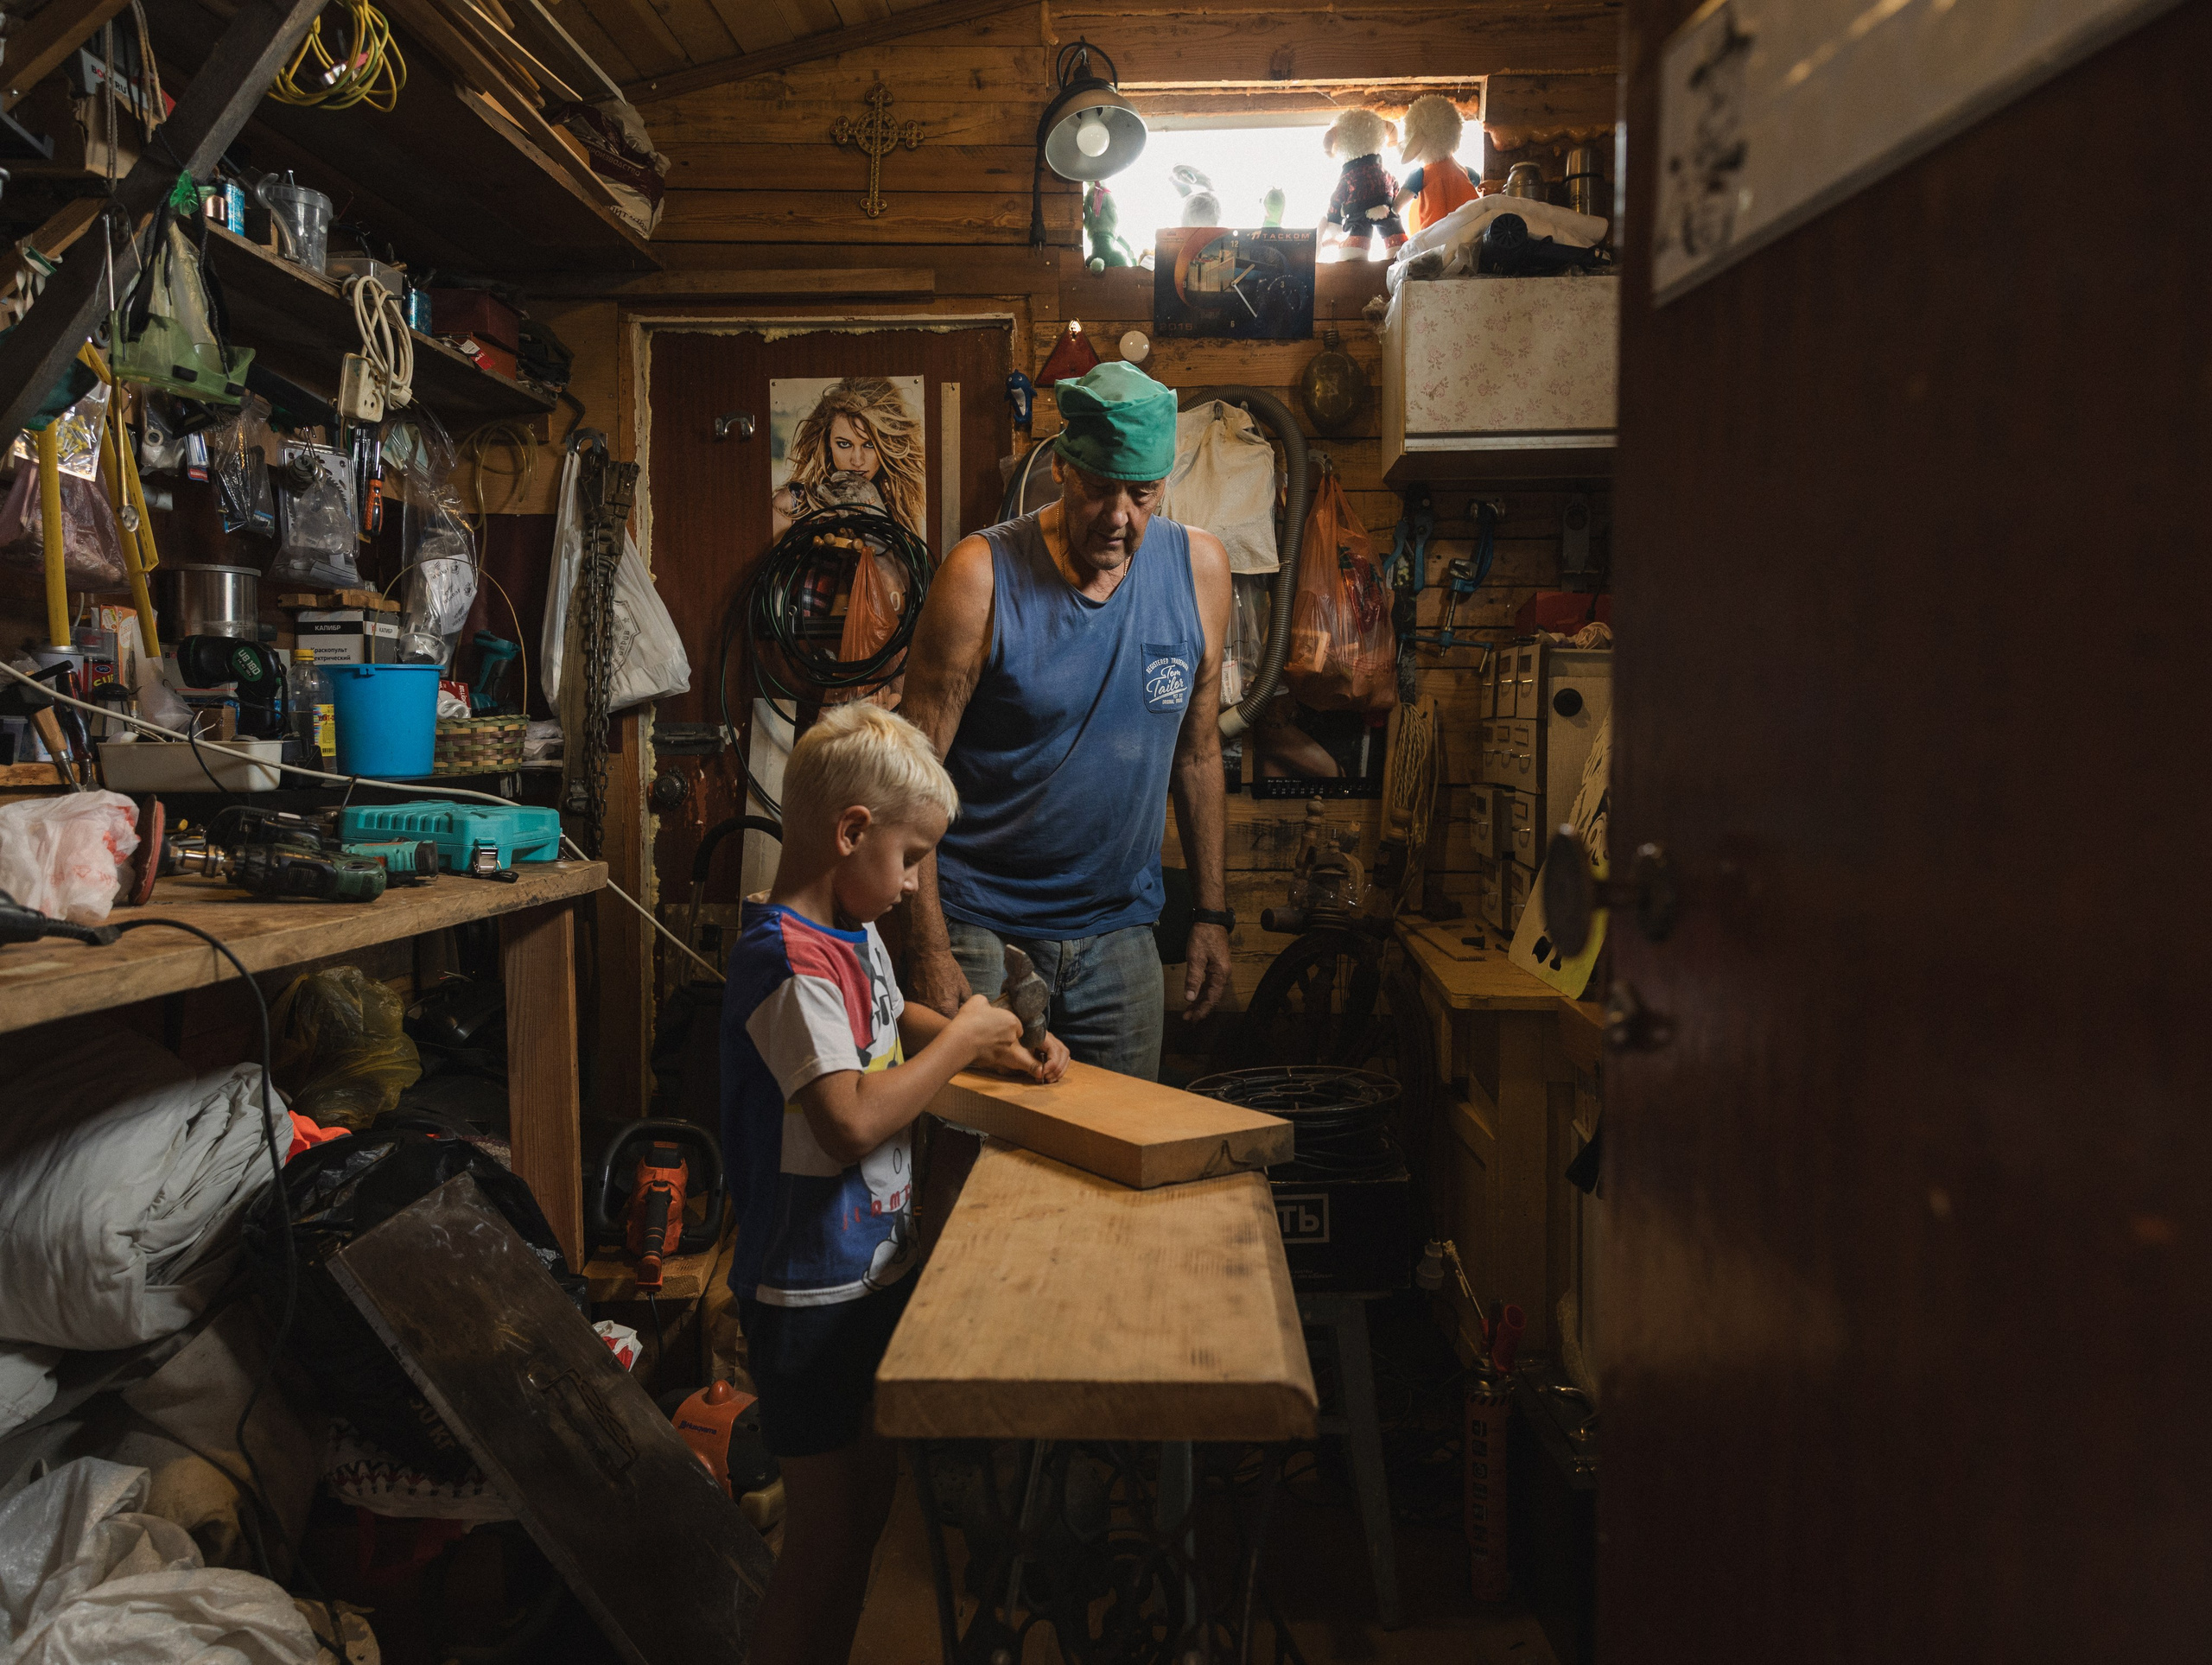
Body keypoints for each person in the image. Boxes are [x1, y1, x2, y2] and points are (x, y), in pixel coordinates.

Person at [721, 701, 1070, 1665]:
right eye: (911, 857)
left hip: (865, 1275)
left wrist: (985, 1041)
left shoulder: (850, 936)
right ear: (850, 833)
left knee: (863, 1524)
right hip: (806, 1294)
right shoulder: (786, 962)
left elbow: (887, 1013)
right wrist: (960, 1041)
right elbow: (849, 1124)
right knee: (820, 1550)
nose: (917, 882)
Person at [900, 360, 1235, 1082]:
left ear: (1163, 484)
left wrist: (1213, 913)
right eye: (1099, 489)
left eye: (1142, 493)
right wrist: (928, 947)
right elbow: (911, 776)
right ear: (1061, 469)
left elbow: (1200, 756)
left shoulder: (1200, 571)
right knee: (980, 1164)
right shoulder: (979, 577)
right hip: (981, 922)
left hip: (1121, 935)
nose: (1120, 516)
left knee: (1117, 1160)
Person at [771, 376, 927, 543]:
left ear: (887, 446)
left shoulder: (899, 510)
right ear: (828, 443)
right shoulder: (792, 505)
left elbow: (904, 569)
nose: (857, 461)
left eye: (870, 445)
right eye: (844, 444)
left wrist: (874, 515)